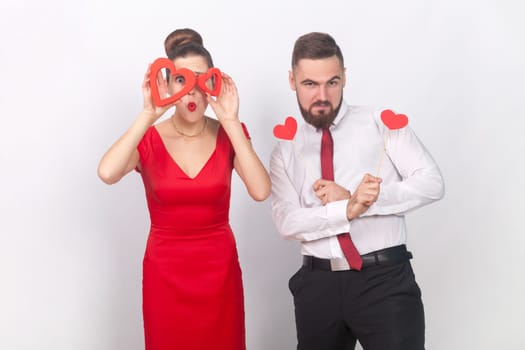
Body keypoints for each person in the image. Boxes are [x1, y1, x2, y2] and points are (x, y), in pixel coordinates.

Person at [269, 32, 444, 350]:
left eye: (332, 83)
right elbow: (286, 221)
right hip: (317, 285)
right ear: (292, 81)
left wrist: (370, 199)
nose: (322, 95)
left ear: (345, 78)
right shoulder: (285, 149)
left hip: (384, 281)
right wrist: (347, 208)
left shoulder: (381, 124)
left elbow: (432, 183)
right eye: (310, 84)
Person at [98, 28, 271, 350]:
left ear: (213, 86)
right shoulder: (149, 139)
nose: (192, 93)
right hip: (165, 272)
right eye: (182, 80)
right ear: (168, 84)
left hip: (218, 271)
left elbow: (261, 191)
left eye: (202, 81)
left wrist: (232, 121)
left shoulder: (229, 133)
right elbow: (107, 172)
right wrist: (148, 113)